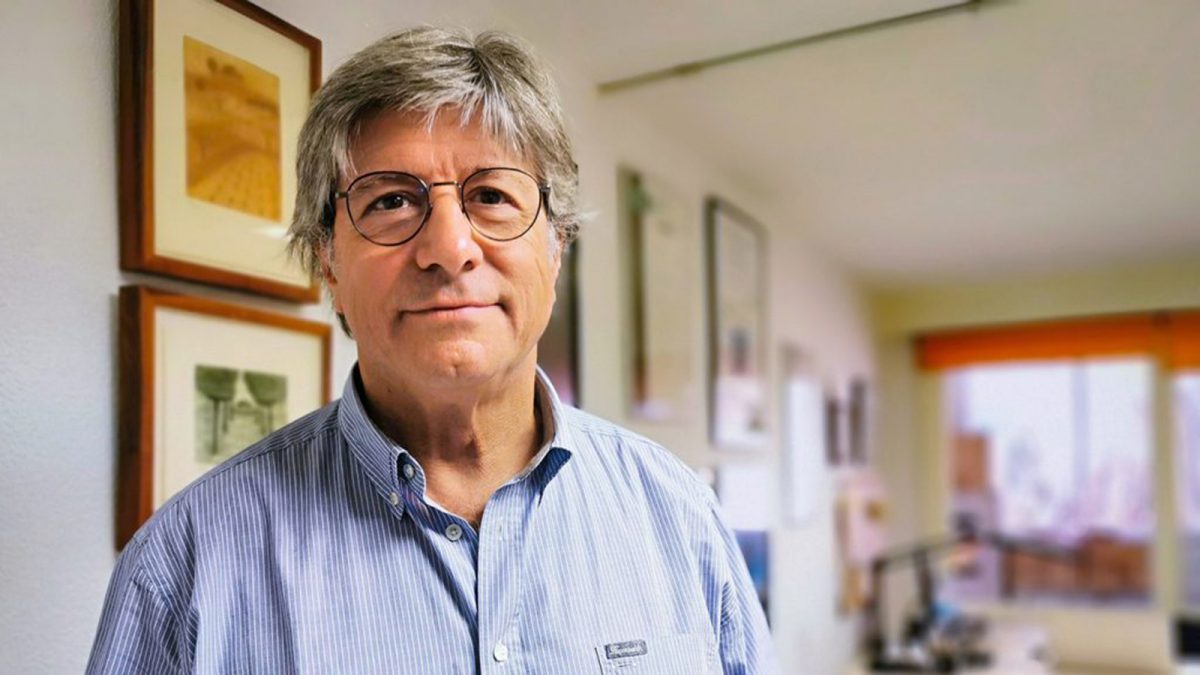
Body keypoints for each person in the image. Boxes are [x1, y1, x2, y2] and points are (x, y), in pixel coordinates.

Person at [88, 27, 777, 674]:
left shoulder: (680, 515)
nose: (449, 248)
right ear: (328, 262)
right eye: (391, 201)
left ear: (556, 249)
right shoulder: (183, 568)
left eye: (491, 195)